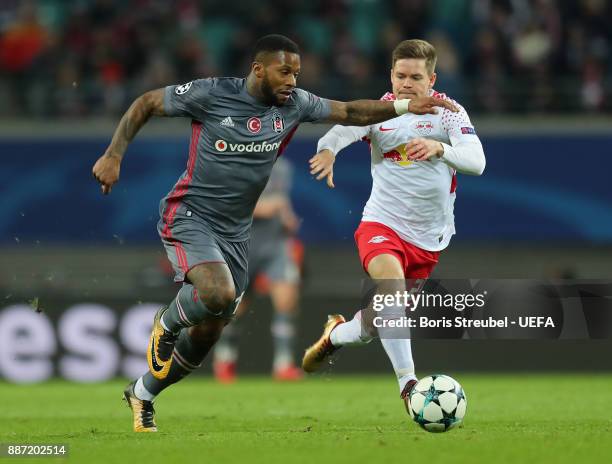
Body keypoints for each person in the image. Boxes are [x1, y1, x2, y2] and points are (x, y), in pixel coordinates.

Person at [92, 34, 456, 433]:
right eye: (285, 72)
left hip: (235, 233)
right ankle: (168, 321)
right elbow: (146, 102)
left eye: (297, 73)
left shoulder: (295, 105)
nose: (292, 81)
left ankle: (143, 393)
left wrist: (403, 105)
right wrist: (113, 153)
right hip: (190, 214)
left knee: (211, 328)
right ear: (258, 69)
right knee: (218, 294)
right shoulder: (213, 93)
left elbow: (351, 111)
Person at [302, 39, 485, 414]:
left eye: (415, 77)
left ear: (431, 79)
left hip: (429, 239)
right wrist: (327, 149)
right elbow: (342, 129)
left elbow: (477, 161)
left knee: (378, 320)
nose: (406, 83)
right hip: (381, 224)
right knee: (392, 294)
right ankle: (410, 387)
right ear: (391, 75)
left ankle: (335, 334)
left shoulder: (447, 113)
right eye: (400, 75)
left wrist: (440, 149)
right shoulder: (381, 112)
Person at [213, 157, 304, 382]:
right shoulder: (235, 165)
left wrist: (287, 218)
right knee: (236, 309)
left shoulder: (283, 167)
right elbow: (227, 205)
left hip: (275, 244)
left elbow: (282, 201)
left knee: (287, 300)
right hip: (243, 246)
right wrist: (263, 207)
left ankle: (283, 365)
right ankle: (225, 359)